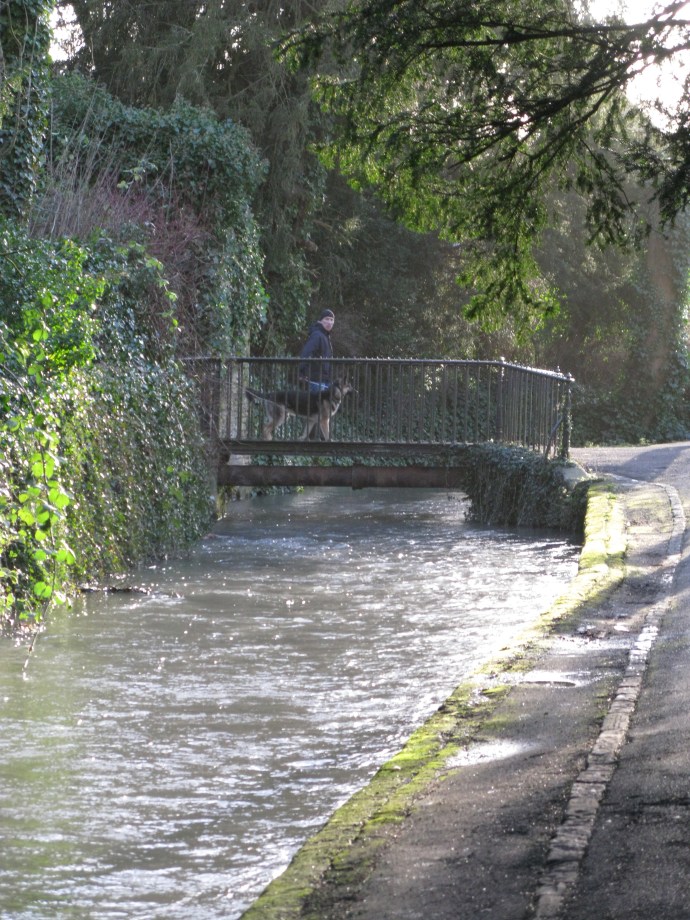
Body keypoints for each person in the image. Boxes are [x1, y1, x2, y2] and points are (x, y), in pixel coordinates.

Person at [298, 309, 335, 394]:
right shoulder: (317, 335)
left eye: (331, 320)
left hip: (325, 379)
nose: (329, 322)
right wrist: (301, 372)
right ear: (320, 321)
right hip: (317, 379)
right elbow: (306, 352)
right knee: (317, 406)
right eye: (326, 319)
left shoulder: (325, 336)